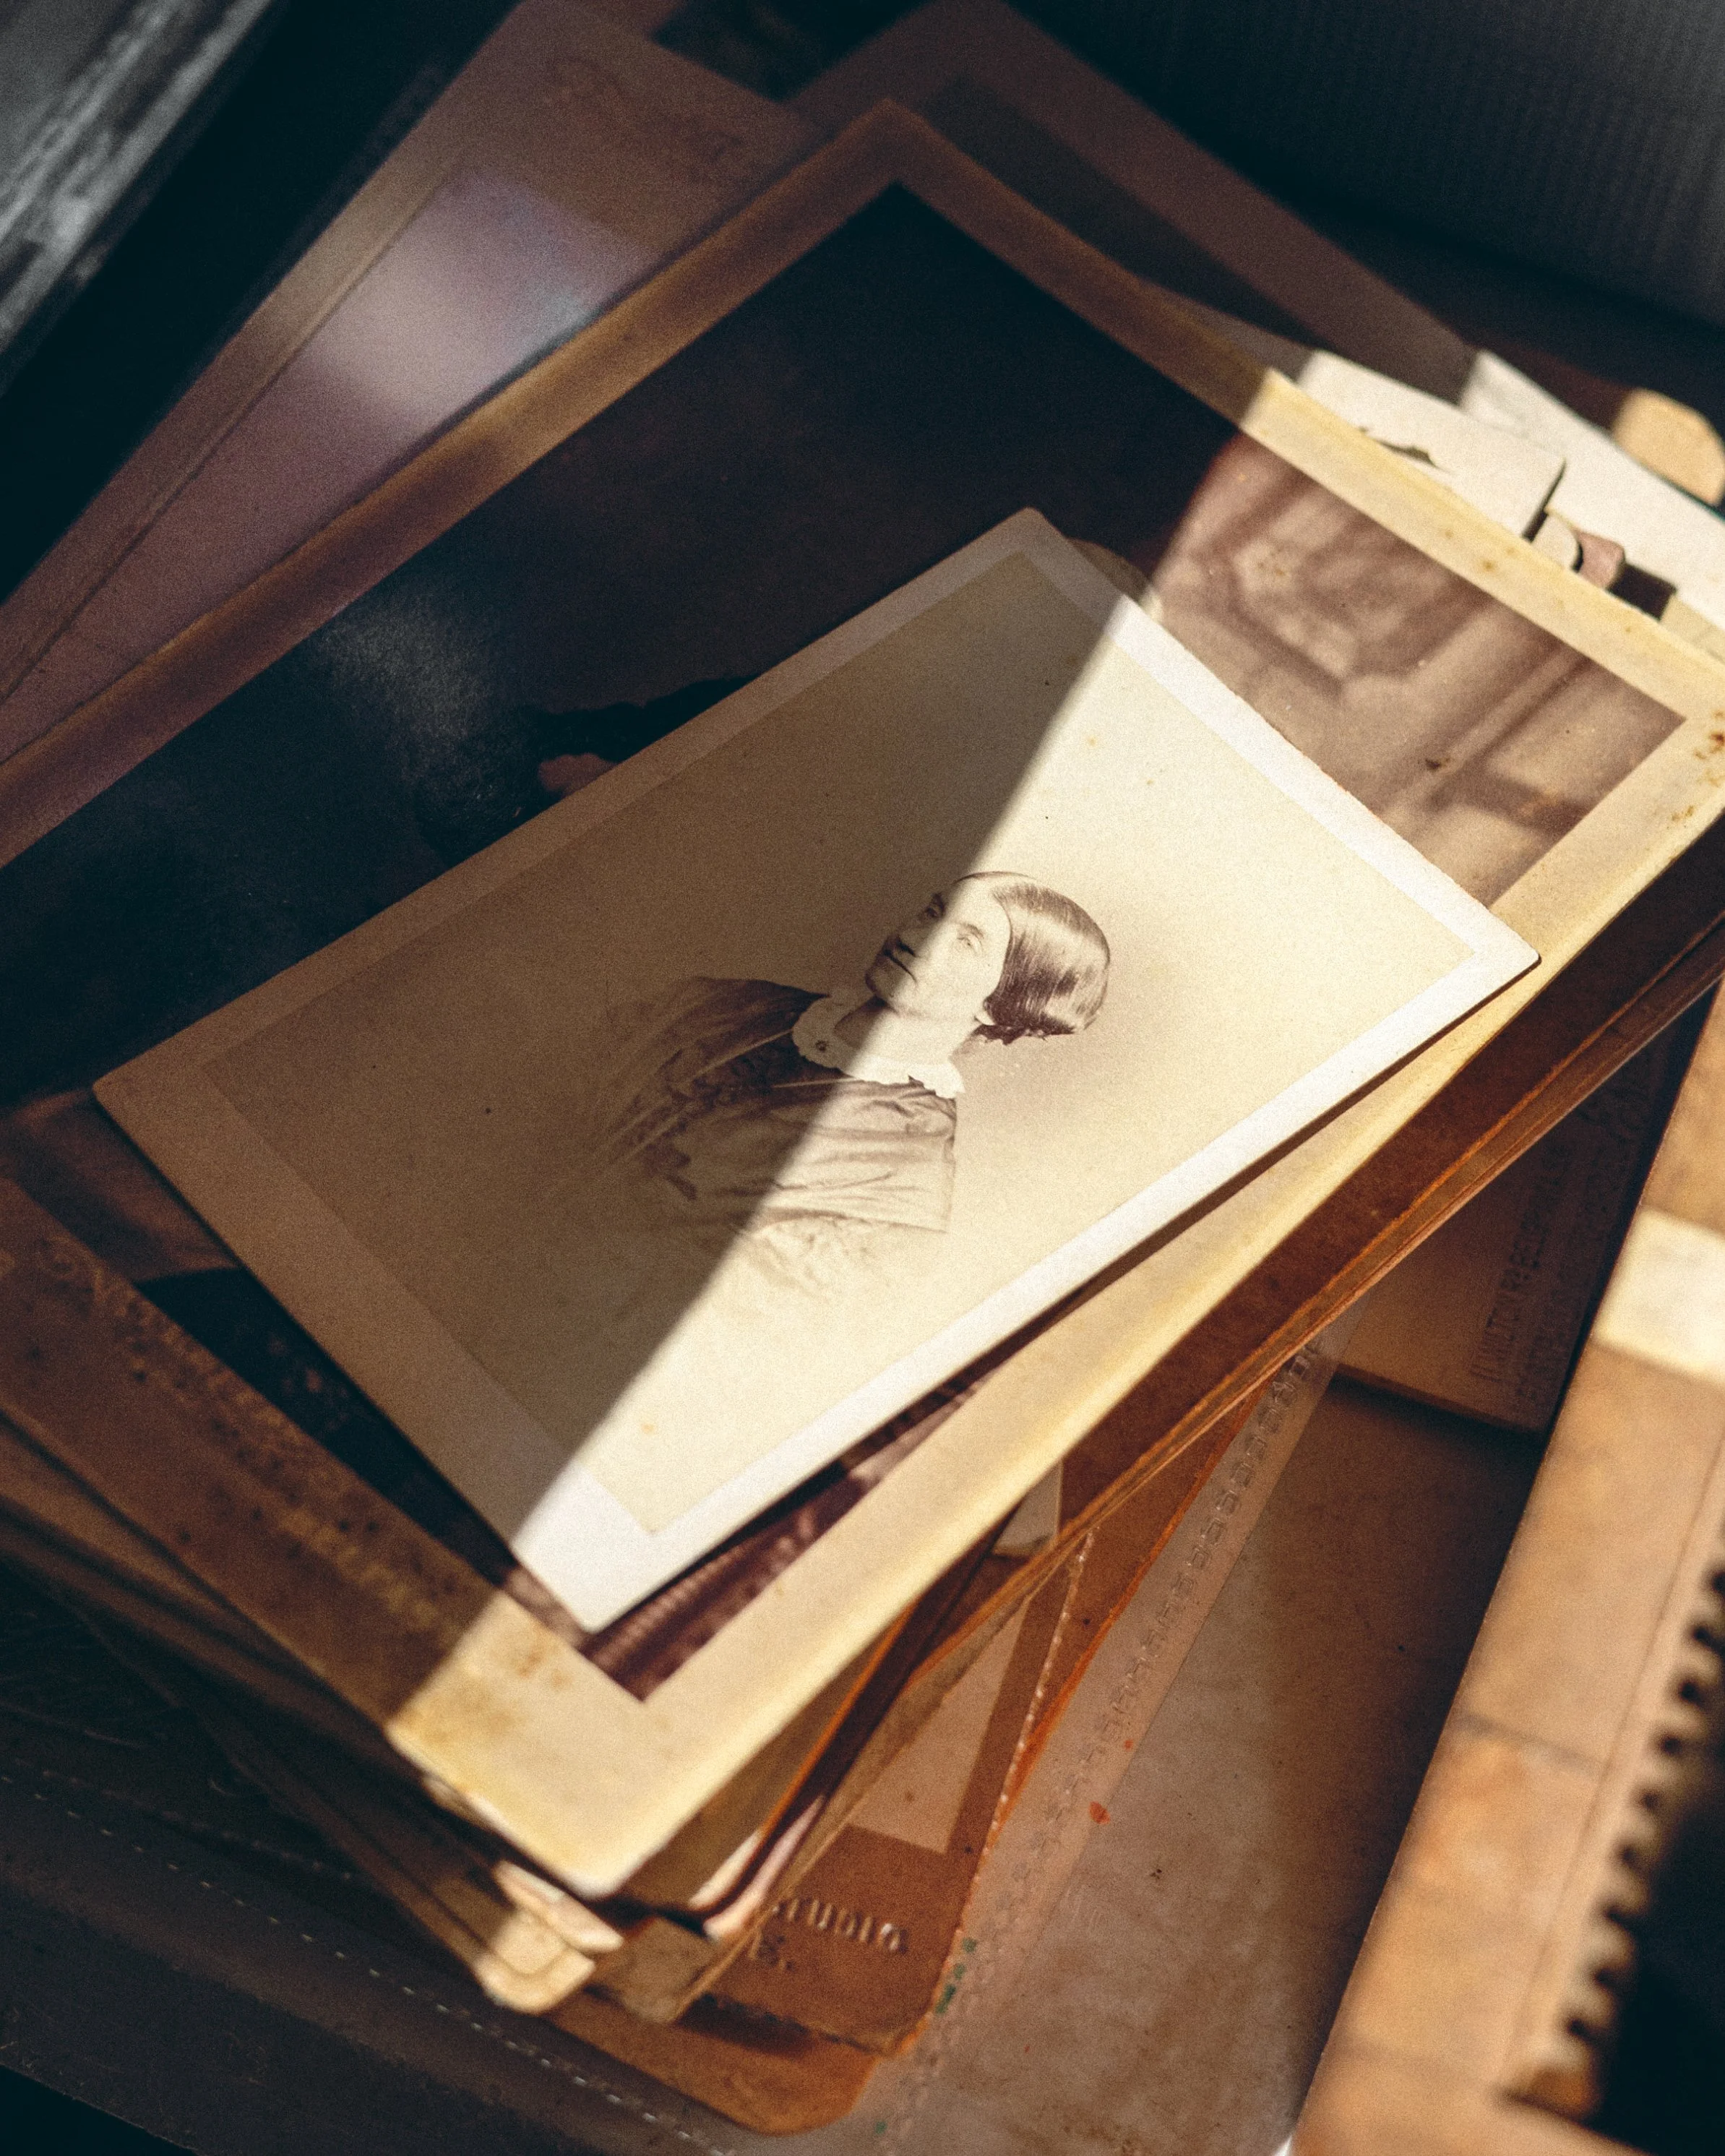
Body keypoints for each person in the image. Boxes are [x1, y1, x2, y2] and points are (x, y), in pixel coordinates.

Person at [584, 871, 1110, 1300]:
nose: (919, 938)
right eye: (933, 910)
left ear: (997, 1003)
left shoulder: (900, 1179)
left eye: (967, 941)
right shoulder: (729, 1001)